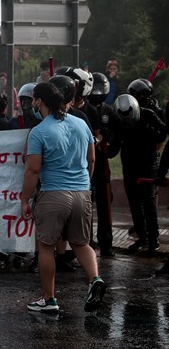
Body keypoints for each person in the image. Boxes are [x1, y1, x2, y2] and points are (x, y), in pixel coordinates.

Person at [21, 82, 106, 313]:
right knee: (81, 243)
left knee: (46, 246)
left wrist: (24, 200)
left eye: (34, 100)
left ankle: (48, 299)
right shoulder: (80, 124)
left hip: (53, 195)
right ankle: (95, 280)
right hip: (82, 193)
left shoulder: (39, 131)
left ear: (39, 101)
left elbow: (32, 170)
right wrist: (84, 183)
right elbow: (92, 159)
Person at [108, 93, 166, 254]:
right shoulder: (117, 120)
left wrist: (146, 128)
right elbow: (114, 146)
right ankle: (142, 237)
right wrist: (104, 149)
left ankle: (153, 239)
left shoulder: (148, 115)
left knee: (148, 203)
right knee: (134, 203)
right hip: (129, 166)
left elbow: (162, 134)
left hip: (148, 166)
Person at [88, 72, 116, 257]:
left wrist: (108, 140)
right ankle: (87, 241)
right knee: (86, 202)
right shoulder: (86, 110)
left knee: (105, 203)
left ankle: (107, 243)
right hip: (86, 161)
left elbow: (116, 136)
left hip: (102, 161)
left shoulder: (109, 110)